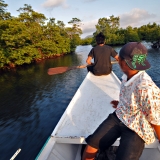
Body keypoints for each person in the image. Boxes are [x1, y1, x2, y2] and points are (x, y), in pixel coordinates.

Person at [82, 42, 160, 160]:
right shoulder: (127, 75)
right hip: (120, 115)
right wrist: (121, 103)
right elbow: (132, 97)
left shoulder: (146, 88)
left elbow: (156, 119)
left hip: (137, 127)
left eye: (119, 58)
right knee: (91, 146)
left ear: (122, 62)